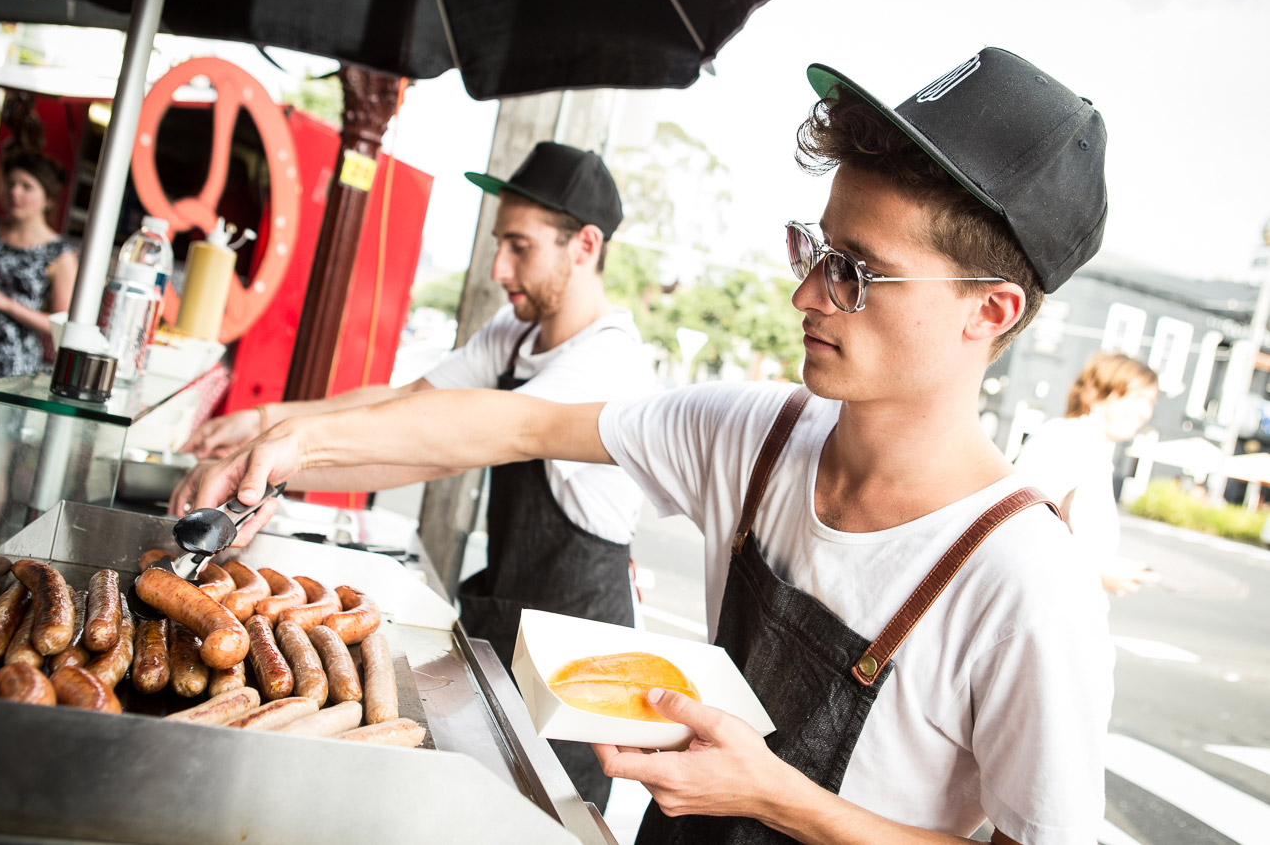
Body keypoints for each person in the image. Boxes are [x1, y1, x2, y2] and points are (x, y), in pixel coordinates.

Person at [189, 47, 1113, 844]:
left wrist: (779, 797)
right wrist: (294, 445)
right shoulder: (757, 434)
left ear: (990, 312)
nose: (806, 295)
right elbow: (516, 424)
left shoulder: (1026, 582)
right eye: (815, 249)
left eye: (856, 273)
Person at [173, 141, 655, 811]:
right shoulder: (516, 333)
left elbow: (450, 445)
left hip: (579, 665)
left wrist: (293, 449)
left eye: (519, 246)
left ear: (585, 245)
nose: (499, 267)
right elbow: (407, 405)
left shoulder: (607, 362)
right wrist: (265, 426)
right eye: (499, 243)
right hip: (511, 624)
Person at [1015, 352, 1160, 596]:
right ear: (1096, 394)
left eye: (1151, 402)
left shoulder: (1091, 445)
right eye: (1137, 397)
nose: (1145, 412)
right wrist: (1098, 574)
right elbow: (1020, 527)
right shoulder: (1067, 439)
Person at [0, 151, 77, 384]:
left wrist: (3, 302)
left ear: (48, 199)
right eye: (11, 184)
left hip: (9, 366)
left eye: (27, 187)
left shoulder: (59, 254)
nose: (15, 192)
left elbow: (61, 324)